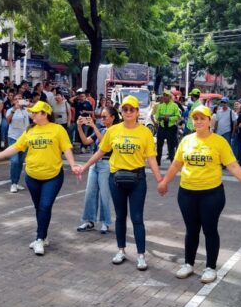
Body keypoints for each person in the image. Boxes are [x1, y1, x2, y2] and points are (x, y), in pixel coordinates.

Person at [158, 105, 241, 283]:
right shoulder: (186, 140)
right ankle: (188, 264)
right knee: (191, 230)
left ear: (209, 121)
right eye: (195, 118)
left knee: (209, 229)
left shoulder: (219, 142)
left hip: (211, 194)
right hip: (187, 193)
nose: (198, 122)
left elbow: (233, 166)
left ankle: (210, 267)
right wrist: (164, 182)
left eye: (202, 118)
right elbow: (176, 164)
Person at [80, 95, 163, 270]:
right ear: (121, 112)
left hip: (137, 179)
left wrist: (160, 180)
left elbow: (151, 158)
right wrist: (84, 167)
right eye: (125, 109)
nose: (128, 112)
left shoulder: (145, 132)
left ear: (137, 112)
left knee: (137, 218)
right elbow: (100, 152)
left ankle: (141, 255)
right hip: (116, 179)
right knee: (120, 216)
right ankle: (121, 250)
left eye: (132, 109)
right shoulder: (113, 131)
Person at [0, 101, 80, 256]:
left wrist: (73, 165)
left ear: (45, 114)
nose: (32, 115)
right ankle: (43, 235)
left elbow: (66, 148)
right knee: (39, 207)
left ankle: (39, 238)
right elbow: (16, 146)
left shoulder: (58, 129)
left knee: (45, 206)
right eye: (32, 112)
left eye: (35, 113)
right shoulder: (30, 130)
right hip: (32, 176)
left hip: (52, 176)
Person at [76, 106, 120, 234]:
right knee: (90, 193)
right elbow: (86, 141)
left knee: (104, 194)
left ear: (113, 117)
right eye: (101, 117)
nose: (102, 119)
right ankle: (88, 220)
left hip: (106, 164)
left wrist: (94, 126)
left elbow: (105, 145)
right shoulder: (100, 129)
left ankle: (105, 222)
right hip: (94, 164)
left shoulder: (115, 131)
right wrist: (79, 127)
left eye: (104, 117)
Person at [6, 94, 30, 193]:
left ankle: (16, 182)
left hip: (24, 138)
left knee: (20, 162)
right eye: (15, 99)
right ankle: (13, 183)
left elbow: (35, 114)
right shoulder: (10, 110)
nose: (17, 100)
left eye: (19, 99)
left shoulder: (26, 110)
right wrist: (14, 110)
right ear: (13, 101)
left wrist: (28, 104)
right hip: (13, 138)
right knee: (14, 161)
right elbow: (8, 121)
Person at [154, 90, 181, 166]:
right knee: (159, 146)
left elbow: (178, 116)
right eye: (164, 95)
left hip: (171, 128)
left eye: (166, 95)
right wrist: (160, 118)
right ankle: (157, 162)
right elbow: (156, 116)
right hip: (162, 127)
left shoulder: (174, 106)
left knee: (171, 147)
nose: (164, 97)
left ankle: (173, 163)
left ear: (170, 97)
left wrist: (169, 118)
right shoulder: (160, 106)